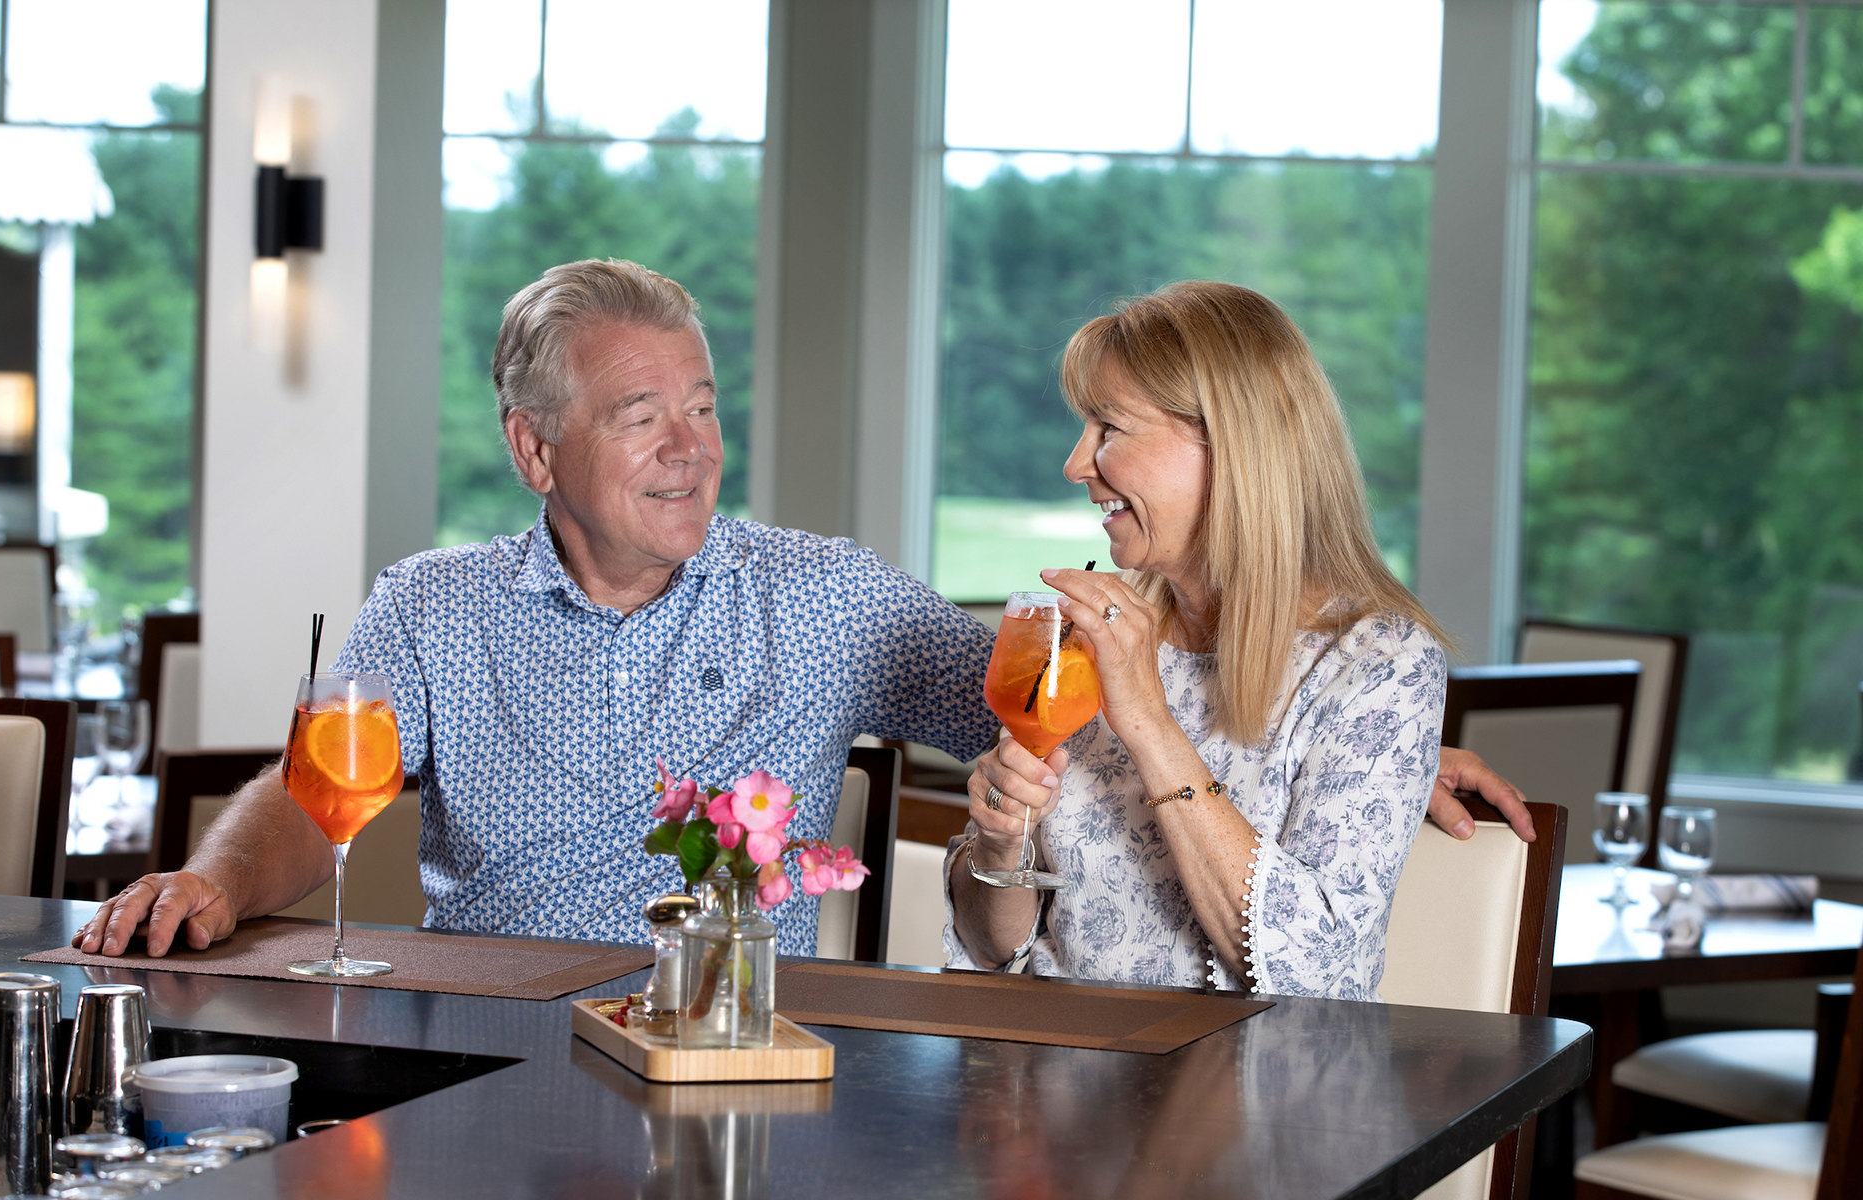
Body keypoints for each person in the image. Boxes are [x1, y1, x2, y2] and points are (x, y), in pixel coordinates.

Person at [76, 260, 1528, 963]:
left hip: (741, 1062)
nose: (690, 448)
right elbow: (314, 791)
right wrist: (217, 881)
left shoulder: (822, 597)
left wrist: (1382, 755)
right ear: (536, 449)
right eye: (640, 416)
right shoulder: (433, 606)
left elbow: (1048, 704)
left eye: (704, 408)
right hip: (492, 1035)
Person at [948, 280, 1461, 1000]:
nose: (1075, 464)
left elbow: (1310, 975)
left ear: (1228, 444)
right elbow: (993, 947)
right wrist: (1002, 849)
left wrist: (1148, 722)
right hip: (1054, 1061)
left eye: (1108, 428)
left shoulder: (1381, 665)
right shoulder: (1093, 641)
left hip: (1253, 1072)